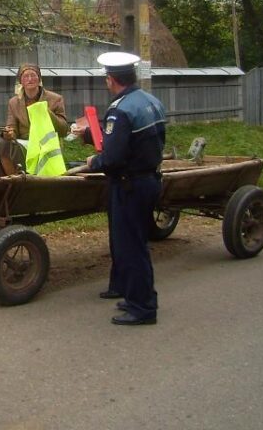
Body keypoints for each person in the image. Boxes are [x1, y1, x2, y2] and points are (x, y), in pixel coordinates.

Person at [80, 51, 166, 326]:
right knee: (132, 243)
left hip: (129, 186)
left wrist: (95, 161)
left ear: (111, 79)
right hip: (148, 180)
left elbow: (114, 158)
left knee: (131, 247)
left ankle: (143, 308)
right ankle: (131, 294)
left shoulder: (120, 110)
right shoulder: (151, 101)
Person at [0, 63, 69, 176]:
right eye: (25, 76)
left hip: (47, 144)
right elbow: (12, 127)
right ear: (21, 81)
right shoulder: (14, 102)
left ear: (39, 79)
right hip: (25, 144)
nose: (30, 79)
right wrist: (9, 133)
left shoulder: (55, 99)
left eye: (33, 75)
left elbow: (63, 130)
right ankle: (14, 180)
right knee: (2, 145)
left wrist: (46, 112)